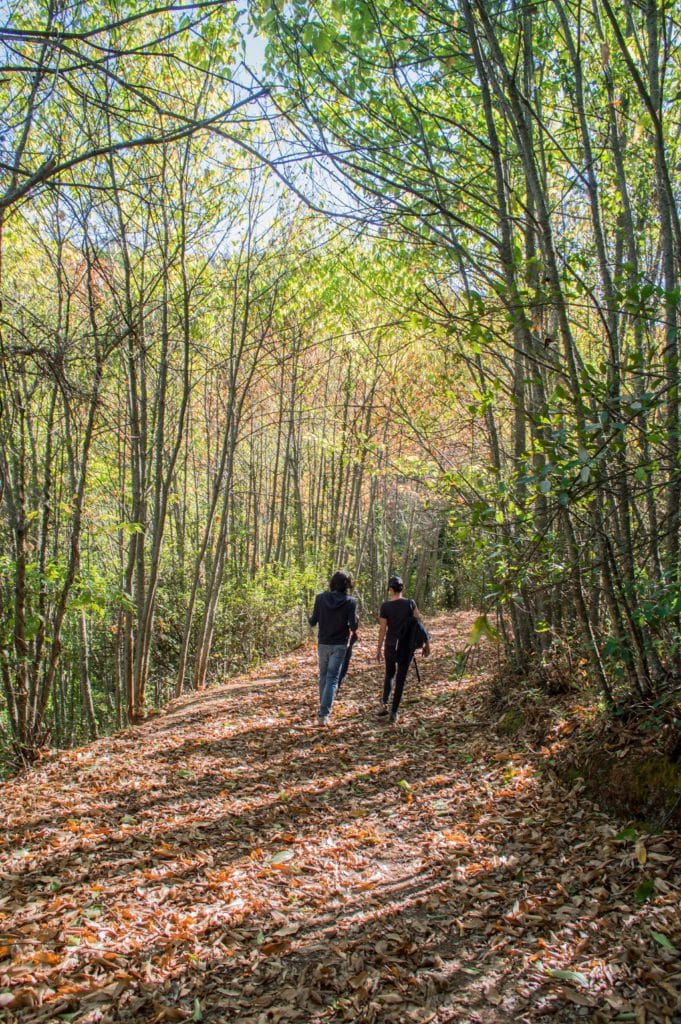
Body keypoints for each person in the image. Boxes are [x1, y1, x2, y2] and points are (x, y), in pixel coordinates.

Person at [308, 570, 358, 726]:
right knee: (331, 678)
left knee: (324, 676)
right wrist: (356, 619)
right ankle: (324, 714)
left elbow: (313, 621)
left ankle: (323, 711)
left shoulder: (320, 598)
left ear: (332, 583)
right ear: (346, 585)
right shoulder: (350, 601)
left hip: (323, 642)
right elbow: (353, 626)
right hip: (339, 643)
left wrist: (310, 616)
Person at [375, 575, 424, 724]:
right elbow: (419, 622)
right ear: (402, 588)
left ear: (390, 589)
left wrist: (378, 649)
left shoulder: (385, 606)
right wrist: (423, 642)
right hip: (406, 646)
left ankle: (384, 704)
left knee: (389, 674)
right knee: (400, 679)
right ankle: (394, 712)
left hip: (390, 646)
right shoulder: (410, 603)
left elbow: (383, 629)